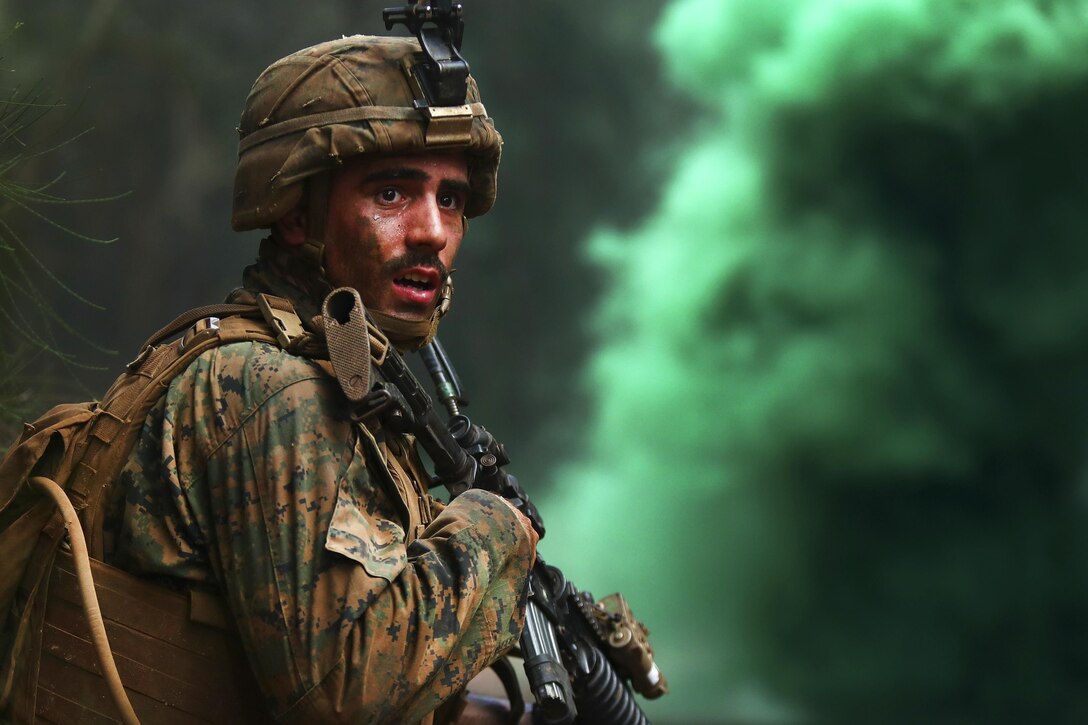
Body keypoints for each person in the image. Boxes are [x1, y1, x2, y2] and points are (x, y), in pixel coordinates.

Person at [99, 35, 539, 723]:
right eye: (392, 191)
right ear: (296, 212)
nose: (432, 232)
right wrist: (493, 529)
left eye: (450, 199)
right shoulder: (276, 391)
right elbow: (339, 698)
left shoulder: (311, 373)